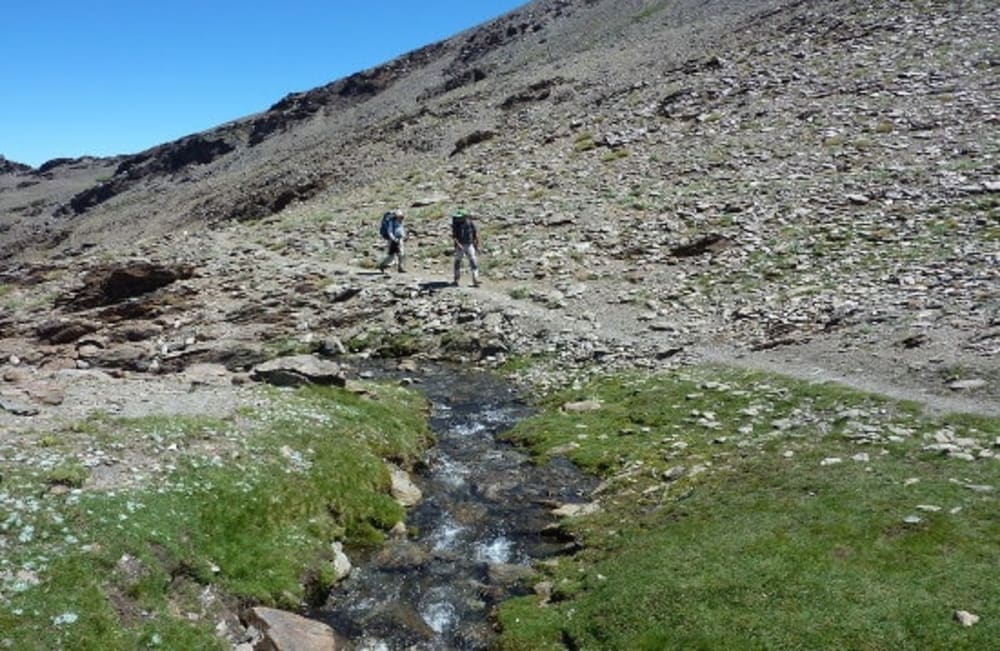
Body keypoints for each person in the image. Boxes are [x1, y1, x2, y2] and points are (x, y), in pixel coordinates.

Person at [451, 208, 480, 287]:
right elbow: (454, 236)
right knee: (457, 261)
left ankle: (475, 279)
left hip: (469, 244)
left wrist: (476, 242)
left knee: (473, 261)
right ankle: (456, 279)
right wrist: (458, 244)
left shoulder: (470, 223)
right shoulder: (456, 224)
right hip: (460, 245)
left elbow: (475, 233)